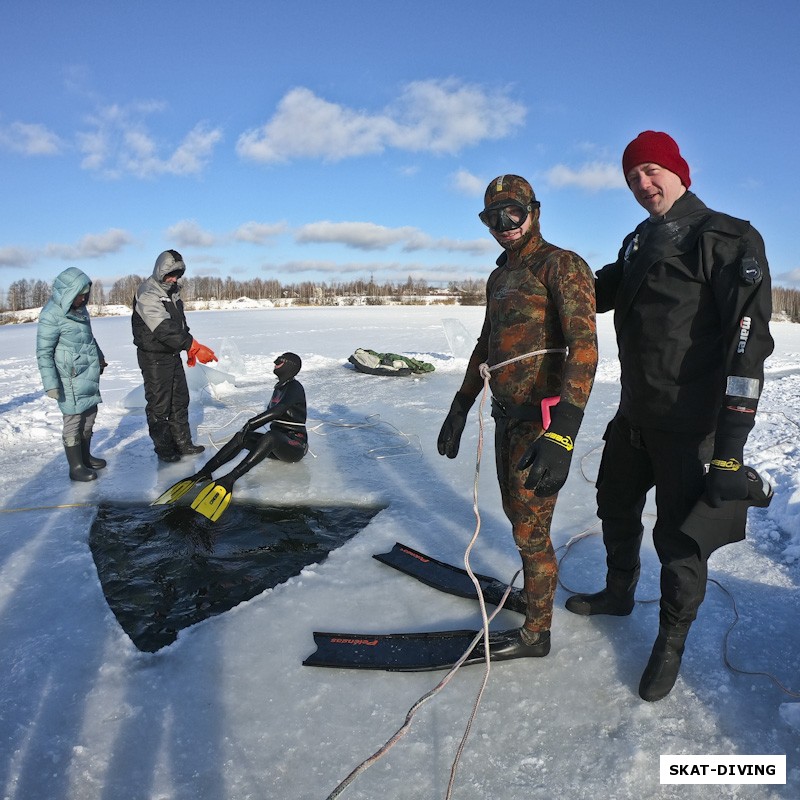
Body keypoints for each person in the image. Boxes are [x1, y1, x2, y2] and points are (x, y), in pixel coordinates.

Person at [565, 131, 774, 701]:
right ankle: (618, 592)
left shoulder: (725, 237)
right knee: (614, 508)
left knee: (679, 544)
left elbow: (747, 346)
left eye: (652, 170)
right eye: (632, 177)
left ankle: (671, 642)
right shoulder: (638, 242)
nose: (643, 184)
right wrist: (539, 271)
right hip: (635, 416)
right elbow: (593, 290)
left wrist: (730, 448)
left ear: (681, 172)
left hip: (692, 427)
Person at [438, 175, 598, 661]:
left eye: (514, 214)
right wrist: (460, 405)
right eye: (493, 218)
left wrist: (563, 434)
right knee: (516, 520)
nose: (504, 226)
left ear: (535, 210)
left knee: (531, 530)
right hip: (507, 418)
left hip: (542, 425)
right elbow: (486, 346)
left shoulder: (561, 266)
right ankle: (537, 594)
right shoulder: (499, 276)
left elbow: (585, 348)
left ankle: (537, 633)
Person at [166, 352, 309, 521]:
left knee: (270, 436)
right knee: (241, 436)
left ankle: (231, 478)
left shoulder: (294, 387)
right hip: (278, 442)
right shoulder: (280, 387)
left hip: (294, 445)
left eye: (280, 360)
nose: (275, 362)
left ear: (290, 366)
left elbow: (278, 410)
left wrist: (252, 422)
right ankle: (205, 472)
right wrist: (248, 428)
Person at [132, 249, 217, 462]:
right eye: (170, 274)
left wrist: (187, 347)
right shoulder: (148, 293)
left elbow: (179, 325)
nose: (174, 279)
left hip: (171, 354)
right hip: (153, 357)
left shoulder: (173, 292)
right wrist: (192, 346)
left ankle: (183, 443)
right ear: (160, 271)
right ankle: (165, 449)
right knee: (160, 405)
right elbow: (163, 327)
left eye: (178, 275)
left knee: (180, 400)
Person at [36, 267, 108, 482]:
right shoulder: (51, 315)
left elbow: (89, 339)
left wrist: (100, 357)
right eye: (79, 294)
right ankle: (75, 466)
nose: (84, 298)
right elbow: (44, 352)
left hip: (87, 371)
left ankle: (85, 457)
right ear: (67, 293)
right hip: (68, 377)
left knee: (89, 415)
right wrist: (51, 384)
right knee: (74, 420)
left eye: (86, 294)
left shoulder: (80, 310)